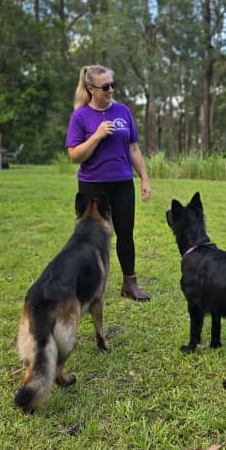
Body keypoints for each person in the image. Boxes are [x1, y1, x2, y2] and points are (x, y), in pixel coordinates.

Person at [66, 65, 152, 301]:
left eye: (113, 84)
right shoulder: (80, 117)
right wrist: (97, 135)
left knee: (126, 233)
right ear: (90, 89)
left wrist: (144, 178)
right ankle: (88, 286)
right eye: (105, 87)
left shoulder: (123, 111)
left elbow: (133, 148)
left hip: (123, 183)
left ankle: (130, 284)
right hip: (93, 185)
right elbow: (74, 156)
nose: (111, 90)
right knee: (91, 237)